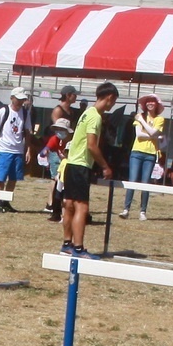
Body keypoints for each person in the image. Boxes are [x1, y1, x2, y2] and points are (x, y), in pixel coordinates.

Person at [60, 82, 118, 258]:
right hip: (81, 165)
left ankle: (67, 244)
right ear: (109, 98)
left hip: (71, 164)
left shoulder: (86, 113)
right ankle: (78, 248)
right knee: (81, 208)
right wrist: (105, 166)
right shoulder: (95, 117)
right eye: (113, 101)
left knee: (69, 205)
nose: (112, 105)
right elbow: (92, 145)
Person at [120, 94, 165, 221]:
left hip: (150, 153)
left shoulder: (159, 119)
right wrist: (154, 136)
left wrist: (143, 122)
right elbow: (139, 135)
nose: (150, 103)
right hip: (137, 152)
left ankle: (143, 211)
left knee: (146, 183)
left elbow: (152, 132)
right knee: (132, 180)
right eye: (148, 101)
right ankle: (126, 209)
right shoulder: (138, 118)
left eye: (153, 101)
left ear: (157, 104)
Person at [0, 87, 33, 213]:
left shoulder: (25, 113)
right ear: (12, 98)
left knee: (14, 178)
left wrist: (28, 150)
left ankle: (5, 201)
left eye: (22, 99)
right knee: (1, 178)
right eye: (18, 99)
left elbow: (28, 132)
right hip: (4, 149)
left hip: (18, 151)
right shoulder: (4, 111)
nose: (20, 102)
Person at [40, 118, 72, 222]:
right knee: (58, 190)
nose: (59, 131)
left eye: (61, 129)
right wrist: (44, 152)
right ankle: (56, 213)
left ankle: (67, 215)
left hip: (71, 165)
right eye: (57, 129)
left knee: (67, 192)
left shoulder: (73, 141)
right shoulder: (55, 139)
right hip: (62, 166)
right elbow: (46, 148)